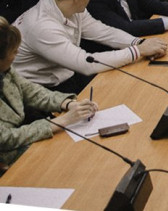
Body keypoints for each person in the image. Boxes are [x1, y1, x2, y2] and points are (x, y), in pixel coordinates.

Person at [12, 0, 167, 94]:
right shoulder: (43, 27)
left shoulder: (70, 6)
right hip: (38, 91)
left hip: (65, 75)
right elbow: (86, 64)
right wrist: (138, 51)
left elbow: (103, 32)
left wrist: (139, 42)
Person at [0, 17, 98, 166]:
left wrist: (68, 104)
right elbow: (5, 138)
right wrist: (60, 121)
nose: (17, 53)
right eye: (13, 51)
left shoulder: (5, 70)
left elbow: (30, 91)